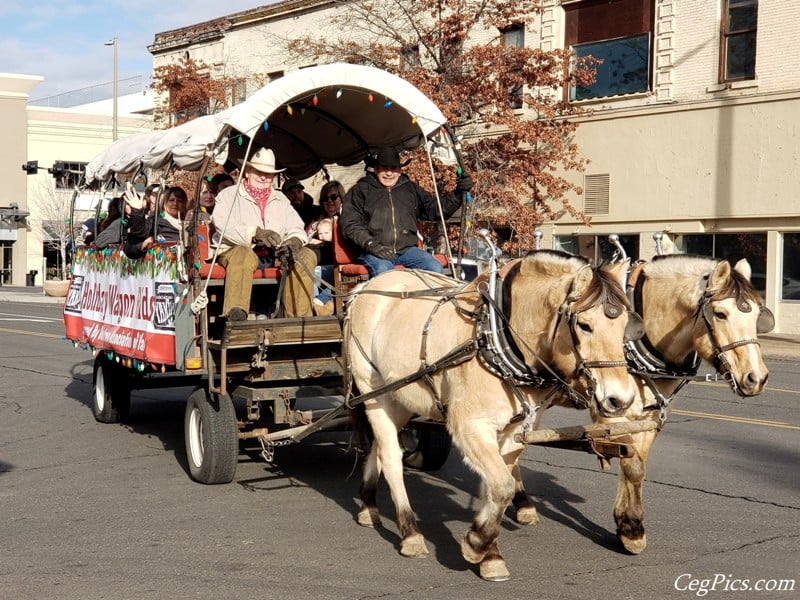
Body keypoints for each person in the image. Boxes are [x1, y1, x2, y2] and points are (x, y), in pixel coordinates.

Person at [211, 147, 318, 320]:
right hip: (235, 250)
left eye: (268, 174)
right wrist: (255, 233)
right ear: (247, 171)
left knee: (305, 255)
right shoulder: (228, 196)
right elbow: (223, 225)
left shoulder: (281, 199)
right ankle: (236, 315)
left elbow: (296, 226)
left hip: (274, 253)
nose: (263, 177)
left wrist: (294, 241)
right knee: (243, 254)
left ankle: (299, 320)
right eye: (258, 172)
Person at [340, 146, 473, 278]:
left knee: (434, 267)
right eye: (385, 168)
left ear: (399, 170)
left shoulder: (410, 189)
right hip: (373, 251)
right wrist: (372, 245)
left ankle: (425, 299)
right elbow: (351, 225)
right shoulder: (360, 191)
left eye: (394, 169)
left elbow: (435, 210)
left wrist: (458, 193)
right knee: (384, 271)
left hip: (407, 250)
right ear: (376, 169)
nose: (389, 173)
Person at [123, 185, 187, 259]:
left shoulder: (189, 223)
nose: (175, 204)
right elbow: (139, 232)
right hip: (164, 265)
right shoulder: (156, 221)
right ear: (165, 202)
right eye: (171, 200)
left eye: (180, 201)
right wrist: (137, 211)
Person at [307, 217, 335, 316]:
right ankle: (314, 303)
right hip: (322, 272)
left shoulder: (332, 245)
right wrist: (311, 244)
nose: (323, 236)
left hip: (332, 271)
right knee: (311, 272)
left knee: (317, 273)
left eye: (326, 233)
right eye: (320, 234)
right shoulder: (318, 245)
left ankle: (319, 300)